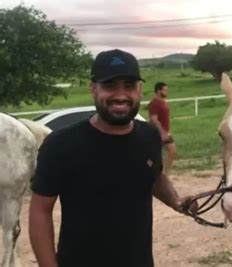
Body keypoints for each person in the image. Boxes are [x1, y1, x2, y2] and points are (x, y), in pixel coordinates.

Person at [29, 49, 196, 267]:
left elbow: (153, 176)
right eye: (109, 86)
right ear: (93, 89)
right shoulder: (61, 144)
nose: (120, 95)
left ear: (140, 90)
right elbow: (40, 211)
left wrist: (176, 201)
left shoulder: (149, 136)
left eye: (129, 85)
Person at [148, 81, 176, 176]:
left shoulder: (163, 102)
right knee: (156, 156)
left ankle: (165, 174)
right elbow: (154, 119)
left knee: (172, 151)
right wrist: (162, 132)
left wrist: (167, 131)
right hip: (157, 133)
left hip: (165, 132)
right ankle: (156, 174)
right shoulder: (154, 103)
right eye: (165, 90)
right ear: (158, 91)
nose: (166, 92)